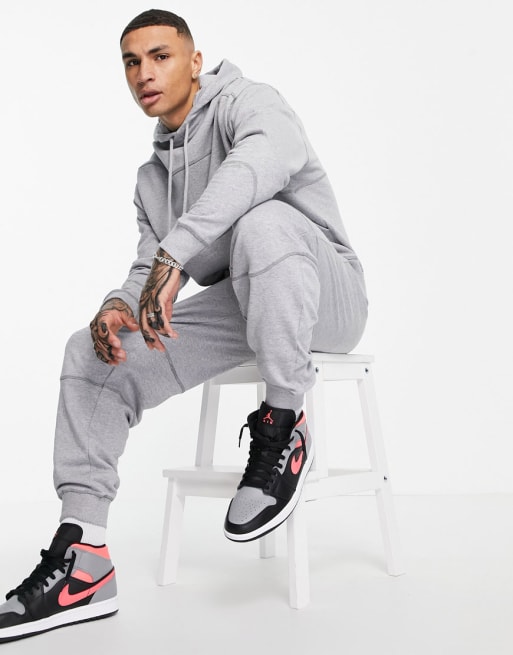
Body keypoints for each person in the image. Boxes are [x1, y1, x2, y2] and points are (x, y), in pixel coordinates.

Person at [0, 8, 368, 643]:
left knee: (262, 222)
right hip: (244, 307)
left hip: (324, 293)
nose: (144, 73)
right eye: (131, 62)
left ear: (195, 62)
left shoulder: (250, 104)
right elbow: (149, 266)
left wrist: (177, 253)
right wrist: (121, 303)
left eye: (160, 56)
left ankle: (285, 422)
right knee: (92, 353)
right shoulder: (152, 180)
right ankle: (84, 558)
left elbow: (263, 163)